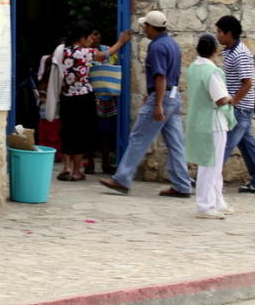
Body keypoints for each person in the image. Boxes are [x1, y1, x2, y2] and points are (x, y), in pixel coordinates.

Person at [100, 10, 193, 198]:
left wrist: (157, 102)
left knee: (138, 138)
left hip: (162, 98)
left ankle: (122, 179)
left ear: (151, 27)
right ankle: (182, 184)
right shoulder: (172, 44)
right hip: (173, 96)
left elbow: (160, 76)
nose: (144, 30)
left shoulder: (157, 47)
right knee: (175, 143)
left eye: (146, 26)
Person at [56, 21, 131, 182]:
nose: (92, 40)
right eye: (90, 37)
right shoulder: (86, 52)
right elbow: (106, 54)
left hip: (66, 97)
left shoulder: (63, 51)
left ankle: (67, 167)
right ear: (82, 37)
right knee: (80, 133)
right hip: (83, 97)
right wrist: (121, 41)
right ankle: (77, 170)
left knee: (67, 131)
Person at [185, 33, 236, 219]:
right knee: (210, 164)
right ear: (215, 51)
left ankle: (216, 201)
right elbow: (221, 99)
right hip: (213, 122)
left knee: (211, 164)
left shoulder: (193, 68)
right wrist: (232, 98)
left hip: (198, 119)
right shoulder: (212, 72)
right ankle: (205, 205)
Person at [216, 15, 255, 194]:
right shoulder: (229, 51)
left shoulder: (241, 53)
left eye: (220, 32)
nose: (218, 35)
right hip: (239, 106)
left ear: (229, 33)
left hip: (240, 108)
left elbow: (248, 82)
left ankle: (208, 177)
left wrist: (233, 101)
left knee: (225, 143)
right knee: (247, 145)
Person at [90, 29, 118, 175]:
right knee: (89, 131)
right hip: (91, 96)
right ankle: (90, 163)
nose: (96, 37)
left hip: (107, 97)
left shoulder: (107, 49)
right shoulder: (86, 52)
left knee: (106, 132)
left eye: (97, 34)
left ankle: (106, 163)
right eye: (93, 34)